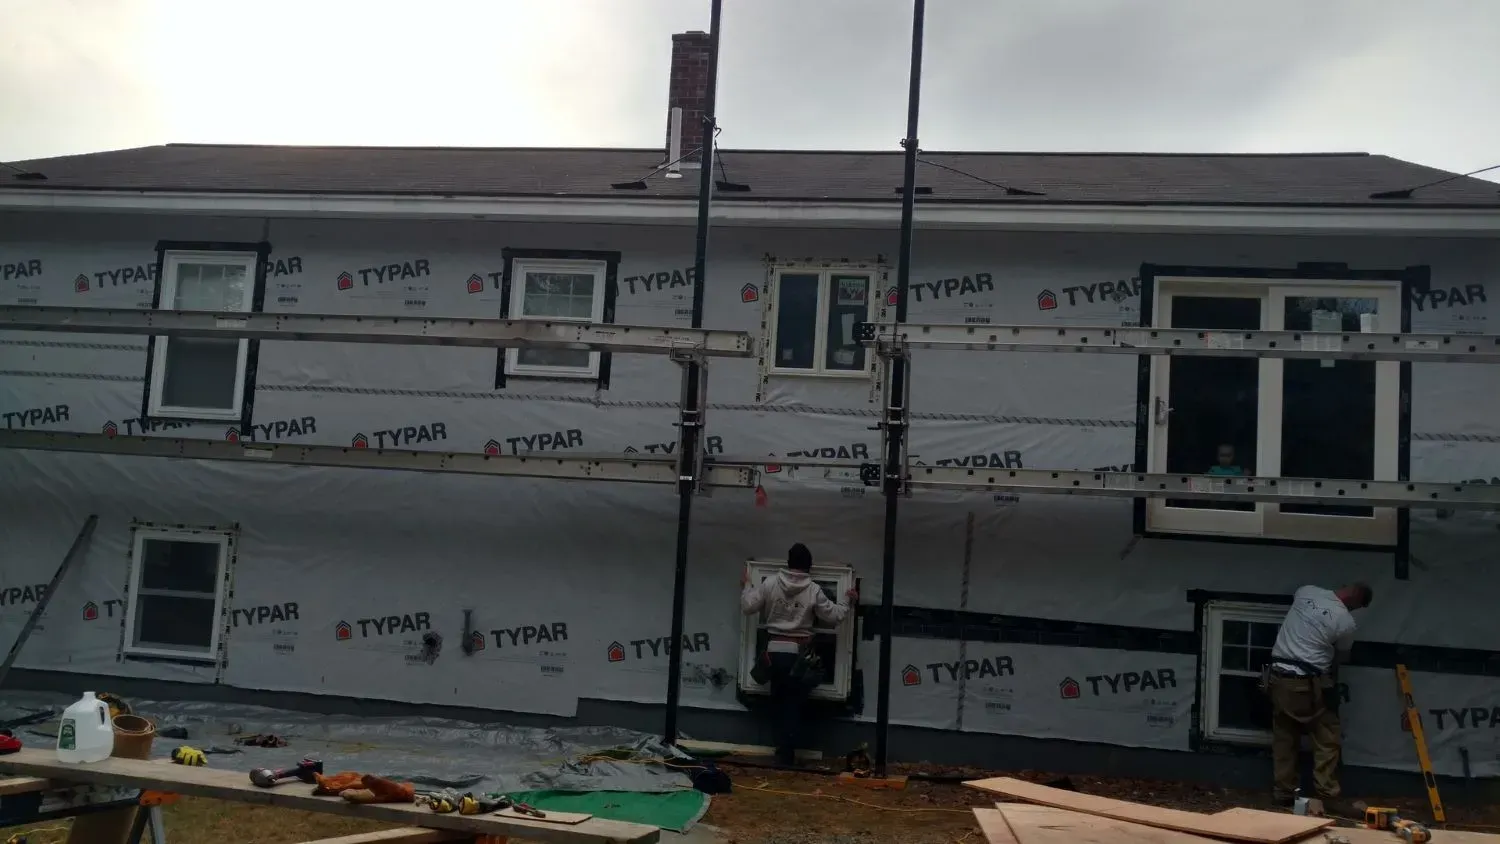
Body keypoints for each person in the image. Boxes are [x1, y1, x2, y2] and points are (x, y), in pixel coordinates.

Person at [740, 543, 857, 765]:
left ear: (788, 563)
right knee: (793, 704)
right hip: (798, 654)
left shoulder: (770, 583)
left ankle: (781, 749)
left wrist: (747, 585)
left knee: (778, 700)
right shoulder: (813, 589)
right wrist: (848, 599)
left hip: (773, 653)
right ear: (809, 566)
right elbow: (834, 616)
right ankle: (787, 753)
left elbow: (748, 606)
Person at [1267, 582, 1372, 810]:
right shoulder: (1345, 621)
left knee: (1285, 735)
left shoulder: (1306, 591)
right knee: (1326, 734)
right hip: (1307, 681)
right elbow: (1342, 656)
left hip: (1278, 677)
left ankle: (1283, 792)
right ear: (1356, 601)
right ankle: (1327, 793)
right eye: (1356, 607)